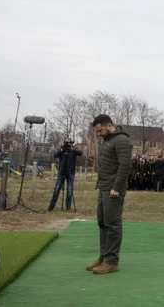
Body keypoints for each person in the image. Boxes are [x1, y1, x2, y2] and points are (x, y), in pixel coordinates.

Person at [86, 114, 132, 275]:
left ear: (109, 125)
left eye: (100, 130)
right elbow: (105, 163)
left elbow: (125, 166)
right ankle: (103, 257)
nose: (98, 134)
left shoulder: (122, 141)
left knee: (112, 224)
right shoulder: (107, 140)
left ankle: (111, 261)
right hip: (104, 187)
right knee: (102, 222)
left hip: (114, 189)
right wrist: (99, 184)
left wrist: (116, 188)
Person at [48, 138, 81, 211]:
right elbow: (55, 155)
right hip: (61, 172)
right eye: (66, 143)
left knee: (69, 190)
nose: (67, 144)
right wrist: (61, 149)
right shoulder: (62, 150)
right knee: (56, 189)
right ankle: (51, 206)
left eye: (69, 143)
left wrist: (72, 149)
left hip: (70, 172)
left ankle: (68, 207)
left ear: (71, 143)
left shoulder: (73, 150)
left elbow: (80, 153)